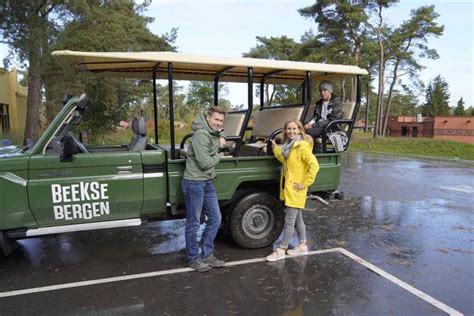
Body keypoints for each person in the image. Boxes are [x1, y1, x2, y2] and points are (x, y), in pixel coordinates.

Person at [266, 120, 319, 262]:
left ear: (300, 130)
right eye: (288, 129)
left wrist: (305, 183)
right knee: (298, 219)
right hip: (290, 188)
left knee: (289, 221)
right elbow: (285, 161)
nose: (291, 131)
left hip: (296, 189)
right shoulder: (290, 146)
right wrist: (276, 148)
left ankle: (281, 249)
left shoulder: (301, 146)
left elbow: (314, 165)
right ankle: (302, 245)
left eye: (294, 129)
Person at [182, 106, 227, 272]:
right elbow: (205, 163)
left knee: (216, 218)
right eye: (216, 119)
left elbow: (219, 134)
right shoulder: (201, 134)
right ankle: (193, 258)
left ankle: (208, 255)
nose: (218, 123)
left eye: (221, 121)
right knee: (194, 222)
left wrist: (221, 135)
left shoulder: (212, 132)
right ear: (208, 118)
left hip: (207, 181)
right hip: (194, 182)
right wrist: (219, 155)